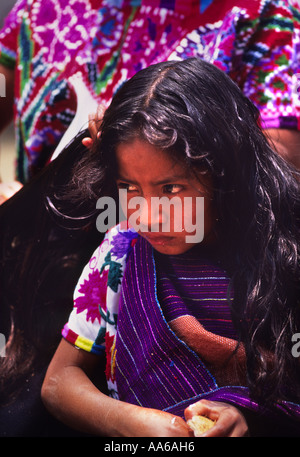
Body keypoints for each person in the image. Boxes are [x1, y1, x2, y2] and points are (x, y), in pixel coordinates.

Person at [41, 58, 300, 437]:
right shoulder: (121, 253)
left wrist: (251, 418)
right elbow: (59, 380)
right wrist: (133, 422)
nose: (146, 216)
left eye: (171, 189)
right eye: (129, 188)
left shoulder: (287, 256)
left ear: (226, 171)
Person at [0, 0, 300, 200]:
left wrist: (152, 142)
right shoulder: (44, 8)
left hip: (181, 270)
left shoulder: (263, 13)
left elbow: (280, 161)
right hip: (36, 261)